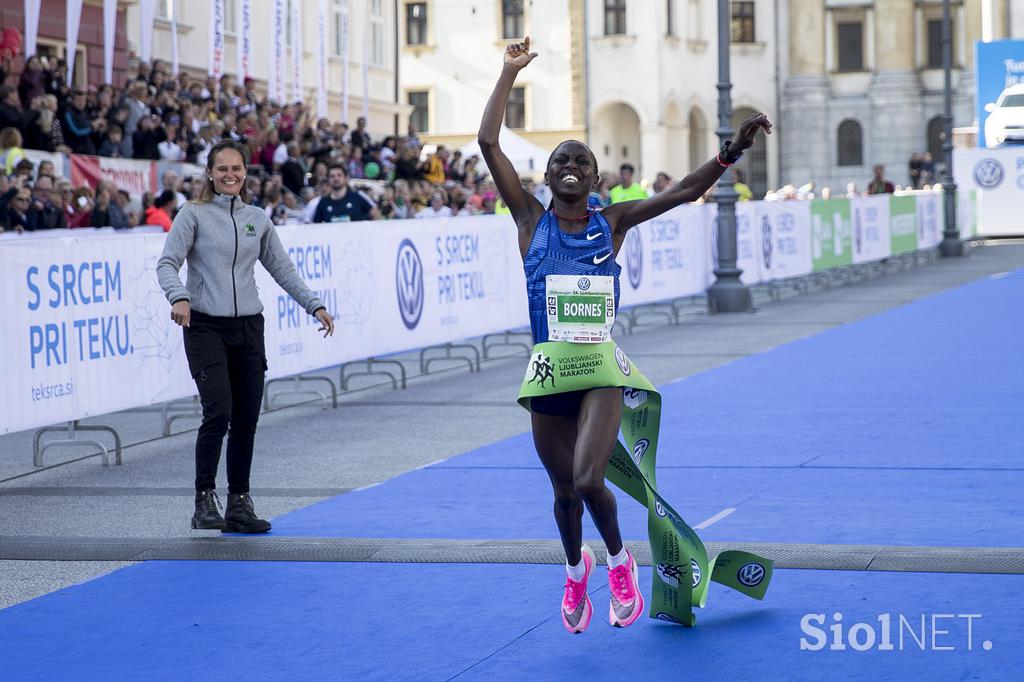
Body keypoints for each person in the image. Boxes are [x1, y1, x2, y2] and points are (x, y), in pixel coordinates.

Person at [479, 37, 772, 633]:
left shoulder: (611, 222)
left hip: (600, 369)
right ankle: (573, 569)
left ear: (595, 177)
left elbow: (685, 192)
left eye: (580, 162)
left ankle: (618, 563)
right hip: (546, 372)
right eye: (560, 160)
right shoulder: (529, 219)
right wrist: (508, 73)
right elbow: (488, 142)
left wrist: (732, 150)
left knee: (589, 479)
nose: (569, 167)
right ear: (547, 175)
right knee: (564, 495)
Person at [157, 139, 336, 533]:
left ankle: (239, 502)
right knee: (218, 411)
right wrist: (180, 297)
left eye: (236, 169)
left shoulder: (257, 217)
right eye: (222, 169)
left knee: (246, 419)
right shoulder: (193, 214)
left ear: (245, 172)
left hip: (248, 328)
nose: (230, 175)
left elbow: (282, 269)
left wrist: (314, 304)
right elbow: (168, 264)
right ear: (209, 173)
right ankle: (205, 499)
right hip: (204, 324)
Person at [311, 162, 380, 223]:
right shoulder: (323, 202)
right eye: (332, 176)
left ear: (346, 178)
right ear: (328, 180)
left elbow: (376, 214)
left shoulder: (358, 196)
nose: (336, 178)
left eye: (339, 175)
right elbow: (315, 225)